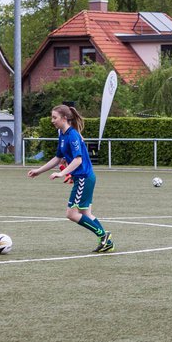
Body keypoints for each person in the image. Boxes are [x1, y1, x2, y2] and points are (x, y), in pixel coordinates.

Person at [27, 104, 113, 253]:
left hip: (83, 178)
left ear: (64, 118)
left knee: (71, 214)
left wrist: (62, 173)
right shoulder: (62, 134)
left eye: (55, 117)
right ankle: (107, 241)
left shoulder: (72, 135)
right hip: (84, 178)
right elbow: (58, 158)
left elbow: (78, 160)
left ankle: (104, 235)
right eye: (51, 117)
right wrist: (39, 171)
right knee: (85, 214)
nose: (52, 120)